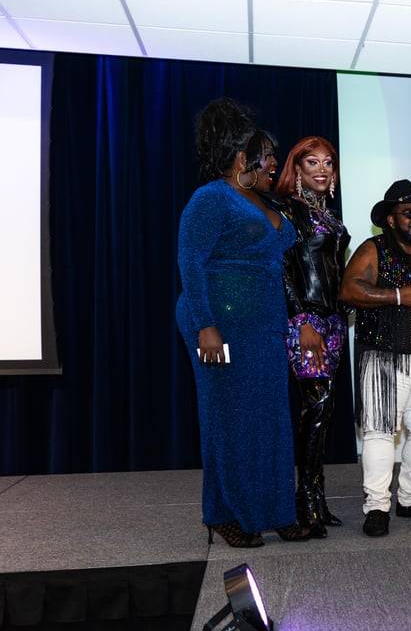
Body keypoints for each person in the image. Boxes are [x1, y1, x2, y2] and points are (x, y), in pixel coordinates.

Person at [175, 98, 308, 547]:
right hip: (219, 323)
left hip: (264, 323)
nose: (273, 162)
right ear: (240, 156)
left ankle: (275, 510)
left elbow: (287, 260)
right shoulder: (210, 198)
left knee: (270, 417)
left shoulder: (262, 198)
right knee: (226, 418)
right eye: (266, 155)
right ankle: (224, 512)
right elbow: (190, 262)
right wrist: (204, 325)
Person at [340, 179, 411, 537]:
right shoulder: (374, 249)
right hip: (384, 358)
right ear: (390, 219)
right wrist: (396, 296)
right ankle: (376, 506)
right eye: (408, 213)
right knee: (378, 433)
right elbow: (348, 289)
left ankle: (410, 498)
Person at [272, 136, 350, 538]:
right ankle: (304, 503)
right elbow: (283, 267)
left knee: (322, 411)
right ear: (297, 170)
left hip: (334, 321)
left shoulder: (327, 213)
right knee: (316, 408)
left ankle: (315, 497)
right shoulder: (286, 210)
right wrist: (301, 319)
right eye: (313, 163)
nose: (322, 170)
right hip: (306, 322)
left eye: (328, 164)